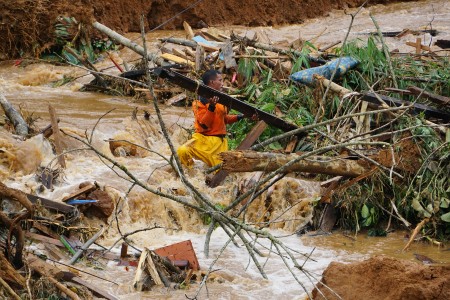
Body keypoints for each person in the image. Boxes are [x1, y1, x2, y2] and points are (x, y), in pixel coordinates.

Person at [177, 69, 249, 169]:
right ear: (212, 82)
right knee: (182, 150)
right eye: (220, 80)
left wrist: (240, 116)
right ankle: (191, 174)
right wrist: (211, 107)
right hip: (202, 139)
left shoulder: (222, 100)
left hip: (219, 143)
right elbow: (204, 124)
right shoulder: (199, 102)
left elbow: (223, 120)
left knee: (219, 173)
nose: (223, 84)